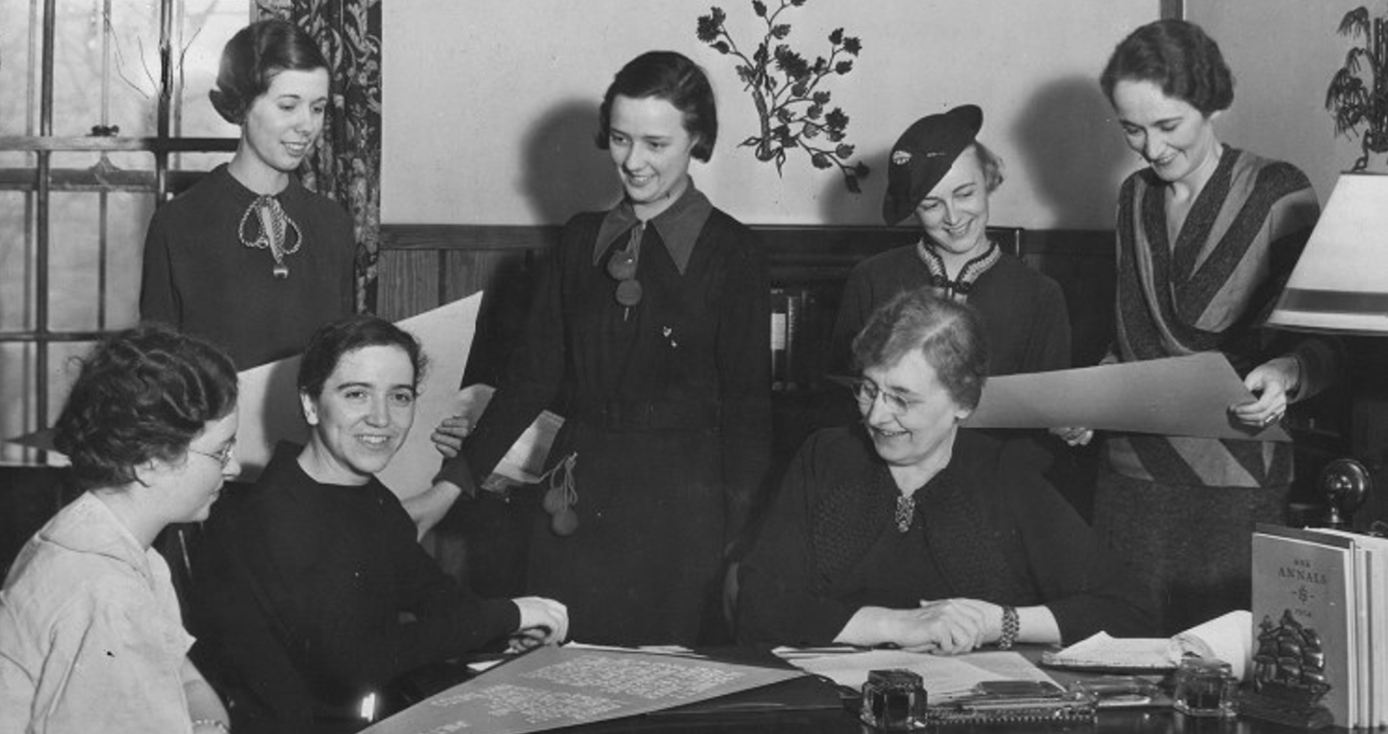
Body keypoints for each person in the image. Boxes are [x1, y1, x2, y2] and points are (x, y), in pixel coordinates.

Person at [428, 50, 771, 646]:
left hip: (683, 513)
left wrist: (740, 545)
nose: (633, 163)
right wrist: (456, 480)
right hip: (575, 496)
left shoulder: (732, 253)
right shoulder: (579, 240)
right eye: (619, 139)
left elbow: (748, 412)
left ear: (698, 141)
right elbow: (530, 378)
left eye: (656, 144)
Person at [1054, 19, 1339, 634]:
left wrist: (1288, 375)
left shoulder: (1278, 192)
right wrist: (1090, 401)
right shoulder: (1133, 198)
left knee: (1220, 663)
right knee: (1122, 658)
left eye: (1167, 126)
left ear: (1211, 104)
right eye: (1132, 128)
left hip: (1236, 475)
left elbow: (1322, 346)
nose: (1151, 149)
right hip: (1130, 475)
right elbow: (1131, 339)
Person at [189, 315, 568, 734]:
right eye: (357, 394)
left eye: (400, 397)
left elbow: (438, 597)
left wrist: (509, 632)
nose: (381, 418)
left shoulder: (369, 496)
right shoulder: (278, 511)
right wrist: (506, 616)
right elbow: (356, 663)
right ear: (311, 404)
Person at [737, 289, 1153, 651]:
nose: (878, 416)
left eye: (903, 398)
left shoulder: (1003, 474)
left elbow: (1128, 608)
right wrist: (900, 625)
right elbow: (759, 605)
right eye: (868, 389)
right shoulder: (825, 456)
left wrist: (999, 622)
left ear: (963, 402)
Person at [0, 324, 238, 734]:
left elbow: (187, 679)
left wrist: (204, 725)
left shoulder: (111, 540)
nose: (232, 468)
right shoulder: (109, 595)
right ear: (150, 462)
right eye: (221, 452)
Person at [141, 18, 355, 370]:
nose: (307, 125)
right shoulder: (177, 224)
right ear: (241, 107)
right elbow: (157, 369)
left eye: (317, 108)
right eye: (288, 106)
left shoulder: (334, 224)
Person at [829, 104, 1070, 381]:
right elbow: (843, 394)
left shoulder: (1040, 295)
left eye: (965, 194)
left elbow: (1049, 411)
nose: (953, 217)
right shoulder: (871, 280)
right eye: (931, 205)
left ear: (989, 178)